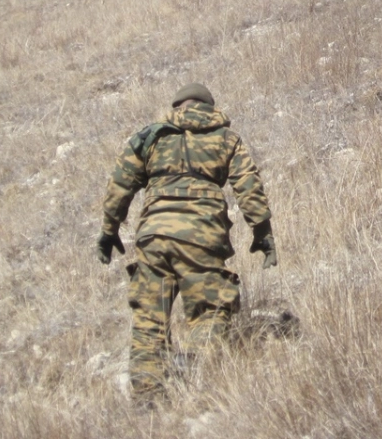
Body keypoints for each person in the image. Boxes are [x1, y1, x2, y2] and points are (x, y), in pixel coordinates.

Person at [97, 83, 277, 402]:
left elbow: (119, 185)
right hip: (202, 237)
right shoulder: (226, 138)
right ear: (209, 107)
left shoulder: (150, 137)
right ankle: (199, 386)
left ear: (177, 106)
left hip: (153, 237)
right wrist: (262, 234)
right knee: (209, 311)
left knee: (149, 319)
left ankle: (148, 398)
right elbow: (249, 188)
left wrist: (109, 230)